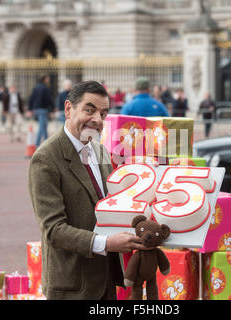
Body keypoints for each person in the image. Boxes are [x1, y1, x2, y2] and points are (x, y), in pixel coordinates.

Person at [28, 80, 150, 300]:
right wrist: (106, 243)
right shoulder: (45, 158)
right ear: (68, 109)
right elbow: (54, 230)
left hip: (106, 280)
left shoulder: (99, 150)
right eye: (89, 110)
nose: (97, 120)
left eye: (103, 114)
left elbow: (110, 205)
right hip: (72, 285)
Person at [29, 75, 54, 147]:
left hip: (37, 109)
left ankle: (46, 142)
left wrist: (30, 108)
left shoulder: (36, 87)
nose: (48, 80)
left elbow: (31, 98)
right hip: (43, 109)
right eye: (47, 79)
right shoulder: (45, 88)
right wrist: (52, 108)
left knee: (44, 126)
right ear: (44, 79)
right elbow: (49, 99)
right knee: (42, 126)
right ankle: (38, 143)